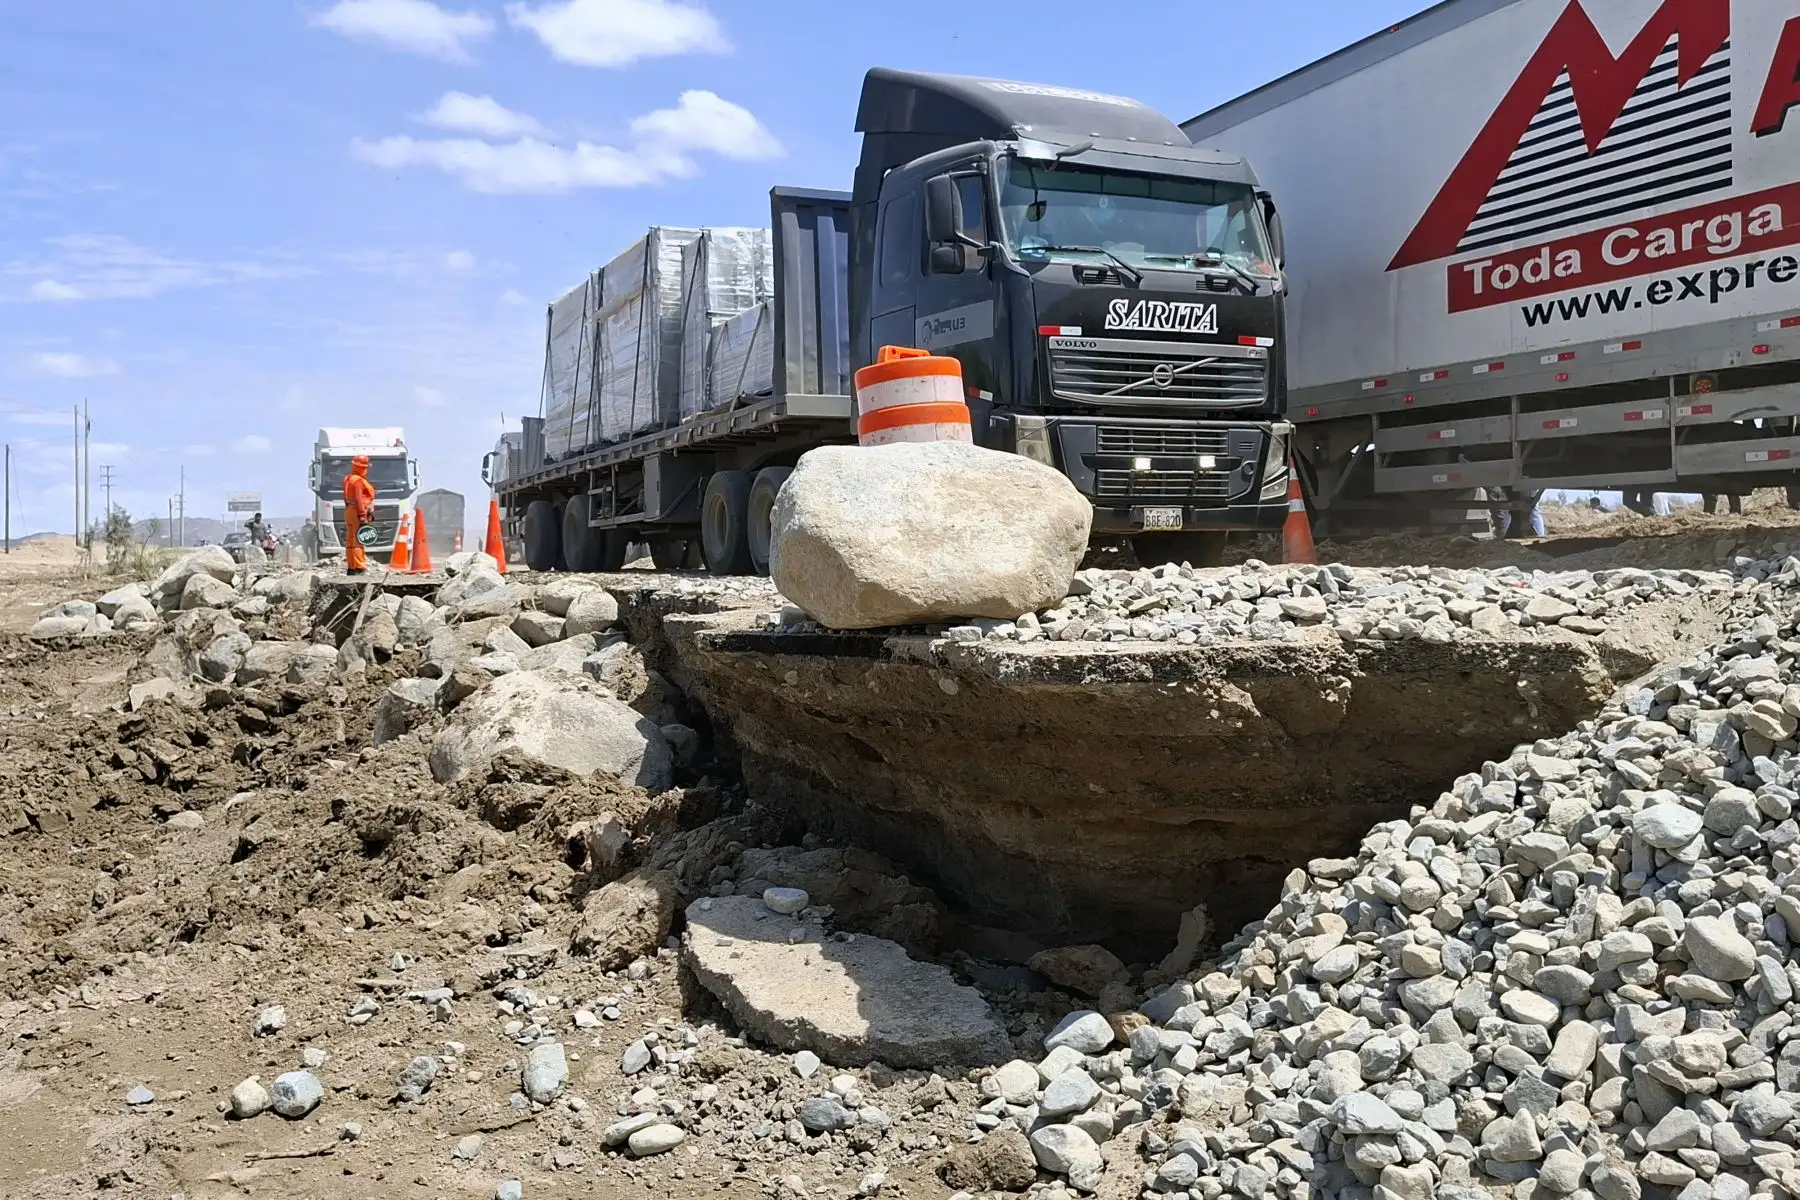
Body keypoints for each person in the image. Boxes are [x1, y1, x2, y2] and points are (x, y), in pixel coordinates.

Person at [342, 455, 376, 574]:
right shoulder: (358, 481)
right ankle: (359, 567)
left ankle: (351, 566)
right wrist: (362, 515)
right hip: (357, 511)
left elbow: (346, 497)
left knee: (350, 540)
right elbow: (359, 499)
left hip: (349, 511)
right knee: (358, 540)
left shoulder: (348, 478)